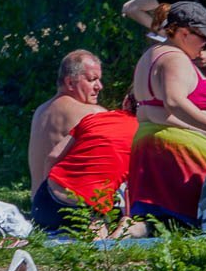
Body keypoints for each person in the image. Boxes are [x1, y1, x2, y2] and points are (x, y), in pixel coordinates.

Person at [128, 2, 206, 228]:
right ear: (184, 33)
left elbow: (148, 107)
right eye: (203, 36)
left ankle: (112, 240)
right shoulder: (175, 58)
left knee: (153, 224)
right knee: (200, 225)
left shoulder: (150, 55)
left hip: (148, 147)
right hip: (180, 152)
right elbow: (174, 101)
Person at [31, 93, 139, 231]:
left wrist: (47, 189)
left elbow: (53, 156)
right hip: (88, 209)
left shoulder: (94, 118)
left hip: (48, 202)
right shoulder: (144, 134)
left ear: (125, 101)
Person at [28, 50, 106, 199]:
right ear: (70, 82)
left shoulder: (40, 111)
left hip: (38, 203)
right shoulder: (93, 114)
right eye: (92, 80)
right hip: (71, 205)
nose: (99, 86)